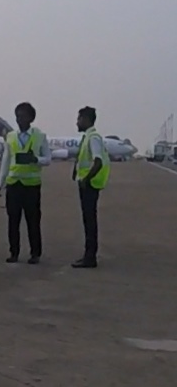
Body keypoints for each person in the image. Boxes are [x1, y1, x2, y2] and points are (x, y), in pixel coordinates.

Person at [0, 101, 49, 264]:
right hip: (13, 184)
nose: (19, 120)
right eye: (17, 116)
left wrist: (35, 159)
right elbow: (5, 161)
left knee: (33, 221)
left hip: (32, 185)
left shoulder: (40, 136)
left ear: (31, 118)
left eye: (23, 116)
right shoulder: (10, 137)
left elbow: (48, 159)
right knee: (13, 221)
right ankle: (14, 252)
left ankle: (35, 253)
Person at [73, 105, 110, 268]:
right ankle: (88, 254)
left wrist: (86, 179)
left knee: (89, 221)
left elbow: (98, 161)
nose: (77, 122)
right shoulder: (88, 137)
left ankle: (90, 257)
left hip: (90, 185)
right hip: (86, 184)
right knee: (88, 220)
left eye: (79, 118)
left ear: (86, 120)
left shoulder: (93, 137)